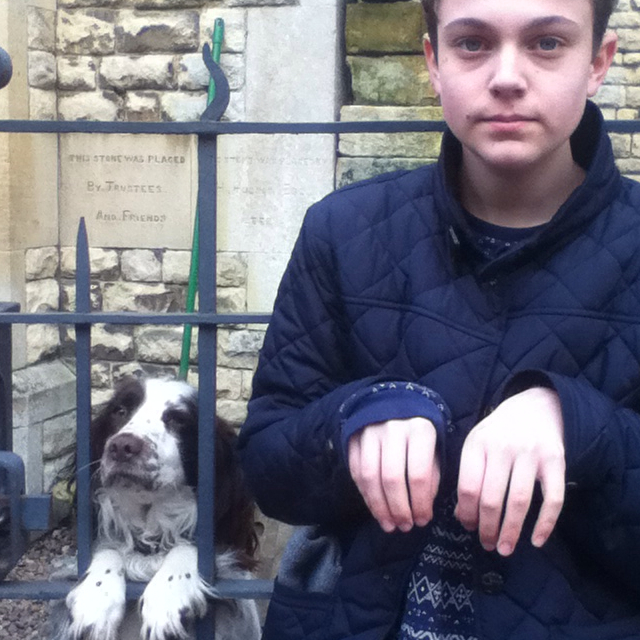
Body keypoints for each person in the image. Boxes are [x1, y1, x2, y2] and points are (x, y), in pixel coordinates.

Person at [238, 0, 640, 637]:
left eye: (546, 43)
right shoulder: (342, 231)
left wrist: (579, 426)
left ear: (597, 62)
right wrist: (353, 419)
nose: (507, 77)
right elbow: (268, 468)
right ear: (433, 62)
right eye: (472, 43)